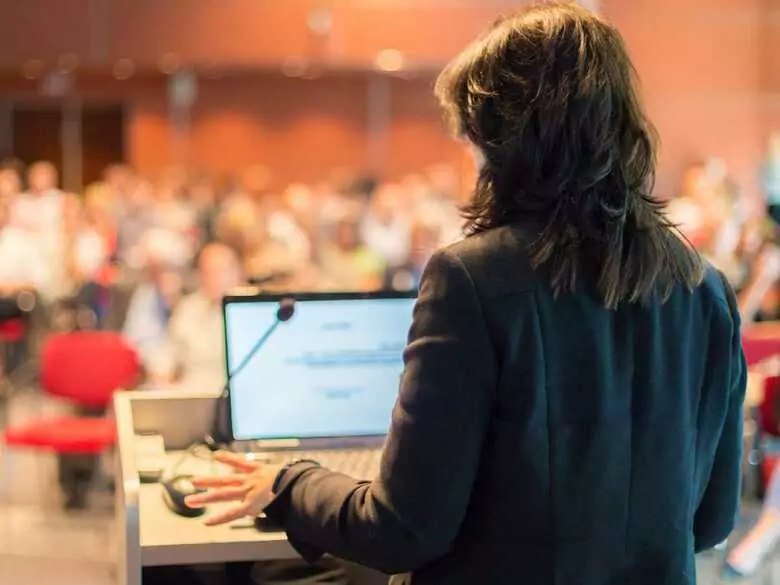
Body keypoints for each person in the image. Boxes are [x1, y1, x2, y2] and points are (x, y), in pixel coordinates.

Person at [187, 5, 746, 585]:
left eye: (473, 140)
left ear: (506, 142)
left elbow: (402, 530)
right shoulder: (706, 288)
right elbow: (708, 521)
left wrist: (286, 483)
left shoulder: (471, 279)